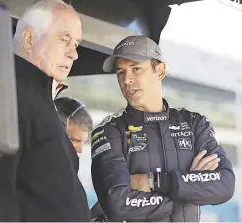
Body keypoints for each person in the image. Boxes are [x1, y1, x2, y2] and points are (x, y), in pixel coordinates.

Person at [0, 0, 91, 221]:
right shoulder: (6, 96)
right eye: (65, 39)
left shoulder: (38, 99)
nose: (75, 54)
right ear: (29, 38)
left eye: (76, 44)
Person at [90, 35, 235, 222]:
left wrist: (154, 182)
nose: (127, 80)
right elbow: (117, 203)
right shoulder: (109, 131)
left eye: (136, 69)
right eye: (121, 72)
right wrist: (188, 188)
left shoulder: (194, 124)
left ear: (160, 71)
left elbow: (225, 184)